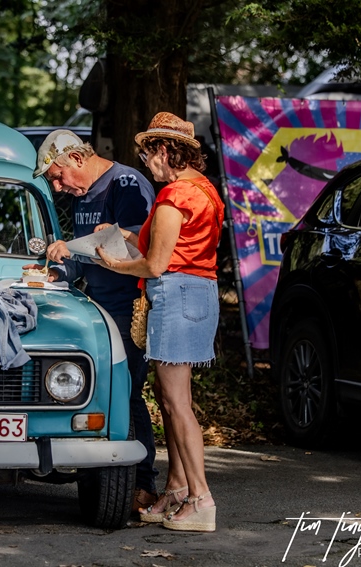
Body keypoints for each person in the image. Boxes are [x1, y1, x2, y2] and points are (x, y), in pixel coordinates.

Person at [95, 112, 223, 532]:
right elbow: (176, 246)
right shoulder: (204, 190)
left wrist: (113, 262)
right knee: (176, 401)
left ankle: (201, 499)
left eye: (148, 155)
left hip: (175, 295)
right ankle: (179, 489)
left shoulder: (174, 196)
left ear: (165, 151)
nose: (146, 164)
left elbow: (154, 265)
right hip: (199, 293)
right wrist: (127, 235)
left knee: (175, 404)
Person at [24, 128, 159, 514]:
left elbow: (139, 244)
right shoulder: (83, 193)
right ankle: (99, 478)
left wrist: (82, 246)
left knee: (125, 392)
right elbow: (86, 258)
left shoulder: (125, 183)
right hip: (98, 305)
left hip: (128, 305)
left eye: (57, 176)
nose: (58, 186)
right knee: (97, 392)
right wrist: (58, 271)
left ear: (77, 158)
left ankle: (142, 484)